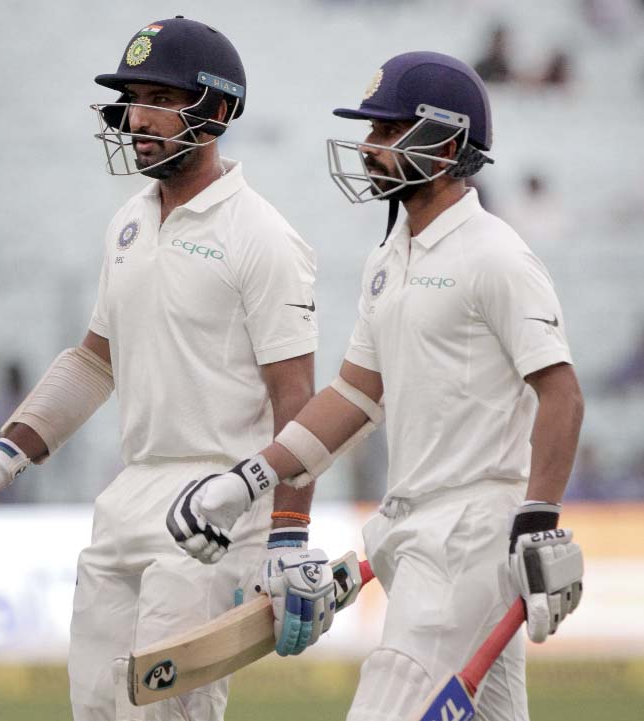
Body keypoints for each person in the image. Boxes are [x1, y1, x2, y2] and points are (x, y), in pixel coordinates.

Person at [0, 16, 322, 721]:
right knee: (97, 711)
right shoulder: (128, 223)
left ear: (219, 110)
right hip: (129, 494)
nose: (139, 117)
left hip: (213, 507)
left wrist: (289, 530)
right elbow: (93, 361)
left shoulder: (263, 236)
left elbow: (296, 397)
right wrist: (4, 456)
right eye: (133, 97)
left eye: (161, 98)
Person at [168, 51, 586, 721]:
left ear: (446, 143)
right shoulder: (389, 257)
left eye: (387, 132)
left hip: (467, 536)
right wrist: (246, 478)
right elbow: (352, 399)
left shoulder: (495, 254)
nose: (367, 148)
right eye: (371, 132)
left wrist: (538, 521)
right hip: (412, 527)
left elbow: (560, 391)